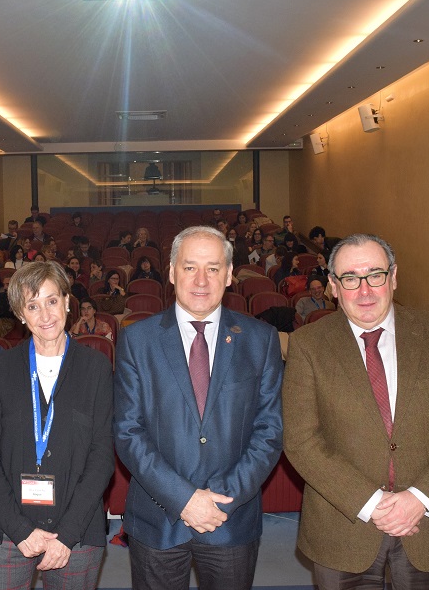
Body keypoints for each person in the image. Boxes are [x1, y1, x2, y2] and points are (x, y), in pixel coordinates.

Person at [282, 233, 429, 590]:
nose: (365, 290)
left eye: (375, 275)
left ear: (393, 277)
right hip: (343, 526)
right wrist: (371, 502)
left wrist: (419, 498)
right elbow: (301, 440)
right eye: (350, 278)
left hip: (428, 525)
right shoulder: (308, 345)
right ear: (333, 286)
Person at [113, 226, 283, 590]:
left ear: (230, 273)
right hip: (158, 519)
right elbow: (128, 431)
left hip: (230, 520)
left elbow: (269, 431)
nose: (202, 280)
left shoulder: (260, 340)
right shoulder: (136, 340)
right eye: (190, 267)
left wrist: (221, 501)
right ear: (172, 272)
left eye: (213, 267)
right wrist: (184, 499)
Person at [0, 261, 114, 590]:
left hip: (75, 531)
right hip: (5, 529)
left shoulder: (96, 368)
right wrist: (20, 530)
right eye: (32, 306)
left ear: (67, 301)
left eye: (52, 301)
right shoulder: (1, 369)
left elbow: (102, 456)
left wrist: (66, 534)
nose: (45, 314)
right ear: (21, 314)